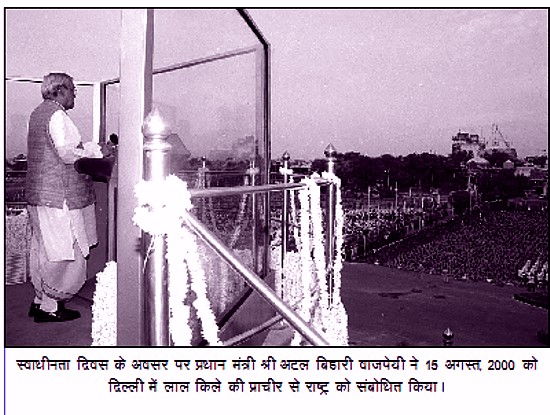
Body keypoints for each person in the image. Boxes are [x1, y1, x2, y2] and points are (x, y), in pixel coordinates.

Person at [25, 72, 101, 323]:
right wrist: (95, 152)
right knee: (63, 249)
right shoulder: (57, 115)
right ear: (60, 90)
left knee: (44, 248)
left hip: (40, 194)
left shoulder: (38, 113)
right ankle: (51, 307)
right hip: (59, 197)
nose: (75, 94)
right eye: (72, 89)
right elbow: (67, 153)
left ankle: (40, 301)